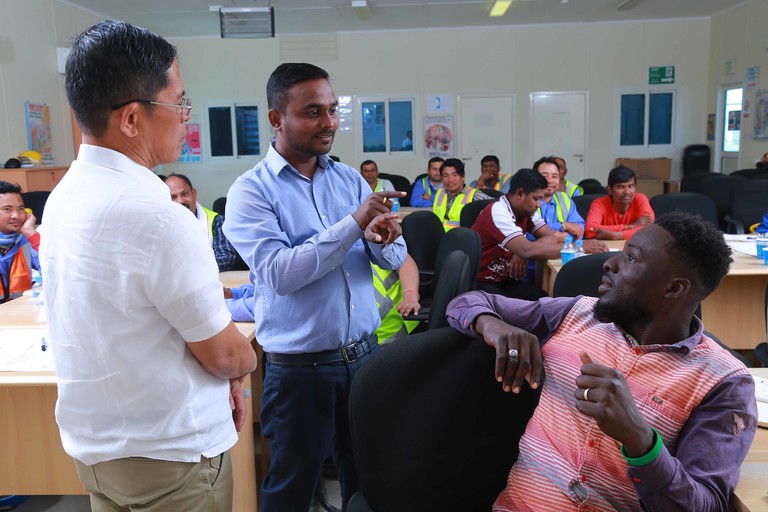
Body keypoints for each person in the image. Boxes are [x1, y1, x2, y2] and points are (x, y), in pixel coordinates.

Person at [40, 20, 257, 511]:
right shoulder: (161, 217)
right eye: (178, 102)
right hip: (169, 458)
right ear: (133, 119)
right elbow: (223, 354)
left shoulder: (62, 198)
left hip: (97, 452)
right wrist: (247, 363)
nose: (186, 115)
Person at [447, 212, 757, 511]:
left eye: (631, 258)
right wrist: (494, 325)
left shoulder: (723, 382)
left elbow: (704, 505)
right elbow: (466, 301)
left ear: (674, 288)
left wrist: (639, 438)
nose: (609, 263)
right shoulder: (576, 314)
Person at [223, 62, 406, 510]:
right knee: (291, 488)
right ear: (276, 119)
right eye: (312, 112)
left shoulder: (347, 179)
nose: (328, 123)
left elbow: (387, 258)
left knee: (369, 480)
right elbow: (280, 274)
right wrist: (354, 223)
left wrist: (387, 242)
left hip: (364, 358)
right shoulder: (250, 193)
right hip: (301, 371)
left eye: (332, 110)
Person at [223, 254, 421, 345]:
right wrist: (236, 293)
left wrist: (411, 294)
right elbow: (270, 289)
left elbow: (267, 306)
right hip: (369, 337)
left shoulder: (320, 255)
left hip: (382, 341)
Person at [471, 168, 564, 300]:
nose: (539, 205)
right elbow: (527, 250)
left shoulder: (528, 211)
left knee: (542, 300)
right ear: (520, 194)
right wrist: (579, 248)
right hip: (479, 283)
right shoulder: (498, 211)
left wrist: (522, 251)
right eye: (536, 199)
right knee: (510, 311)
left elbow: (550, 238)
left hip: (502, 281)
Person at [163, 173, 239, 271]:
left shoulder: (216, 220)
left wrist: (189, 268)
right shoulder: (161, 226)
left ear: (194, 193)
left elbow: (226, 258)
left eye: (185, 194)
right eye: (173, 197)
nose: (180, 201)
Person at [532, 156, 606, 249]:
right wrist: (563, 226)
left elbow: (579, 228)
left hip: (561, 254)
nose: (550, 180)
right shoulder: (528, 200)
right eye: (545, 176)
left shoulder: (565, 199)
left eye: (555, 176)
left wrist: (565, 237)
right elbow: (528, 233)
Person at [585, 165, 655, 240]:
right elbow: (590, 230)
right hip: (607, 249)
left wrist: (616, 236)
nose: (627, 192)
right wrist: (631, 226)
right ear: (609, 190)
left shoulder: (640, 199)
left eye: (631, 186)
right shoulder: (599, 203)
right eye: (621, 187)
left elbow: (649, 230)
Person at [0, 181, 40, 303]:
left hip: (18, 316)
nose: (16, 216)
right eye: (7, 209)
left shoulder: (25, 241)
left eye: (21, 209)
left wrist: (30, 232)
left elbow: (55, 267)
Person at [372, 253, 421, 344]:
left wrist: (410, 294)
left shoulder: (364, 241)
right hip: (379, 344)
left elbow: (403, 259)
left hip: (411, 324)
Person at [433, 158, 492, 231]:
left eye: (454, 175)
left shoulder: (473, 194)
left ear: (463, 177)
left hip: (461, 239)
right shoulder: (440, 193)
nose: (450, 179)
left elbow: (497, 206)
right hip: (439, 238)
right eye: (445, 176)